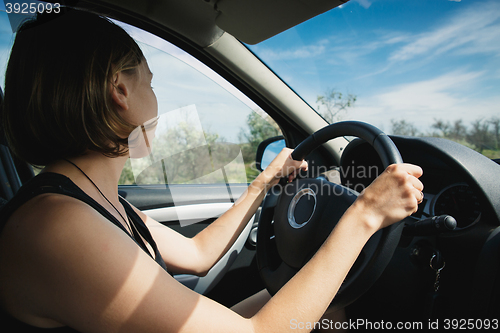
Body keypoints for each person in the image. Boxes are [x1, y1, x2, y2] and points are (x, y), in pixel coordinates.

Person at [0, 9, 423, 333]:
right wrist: (365, 214)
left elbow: (198, 256)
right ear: (120, 91)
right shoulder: (59, 226)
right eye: (150, 83)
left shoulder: (95, 202)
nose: (156, 99)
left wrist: (266, 179)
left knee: (328, 305)